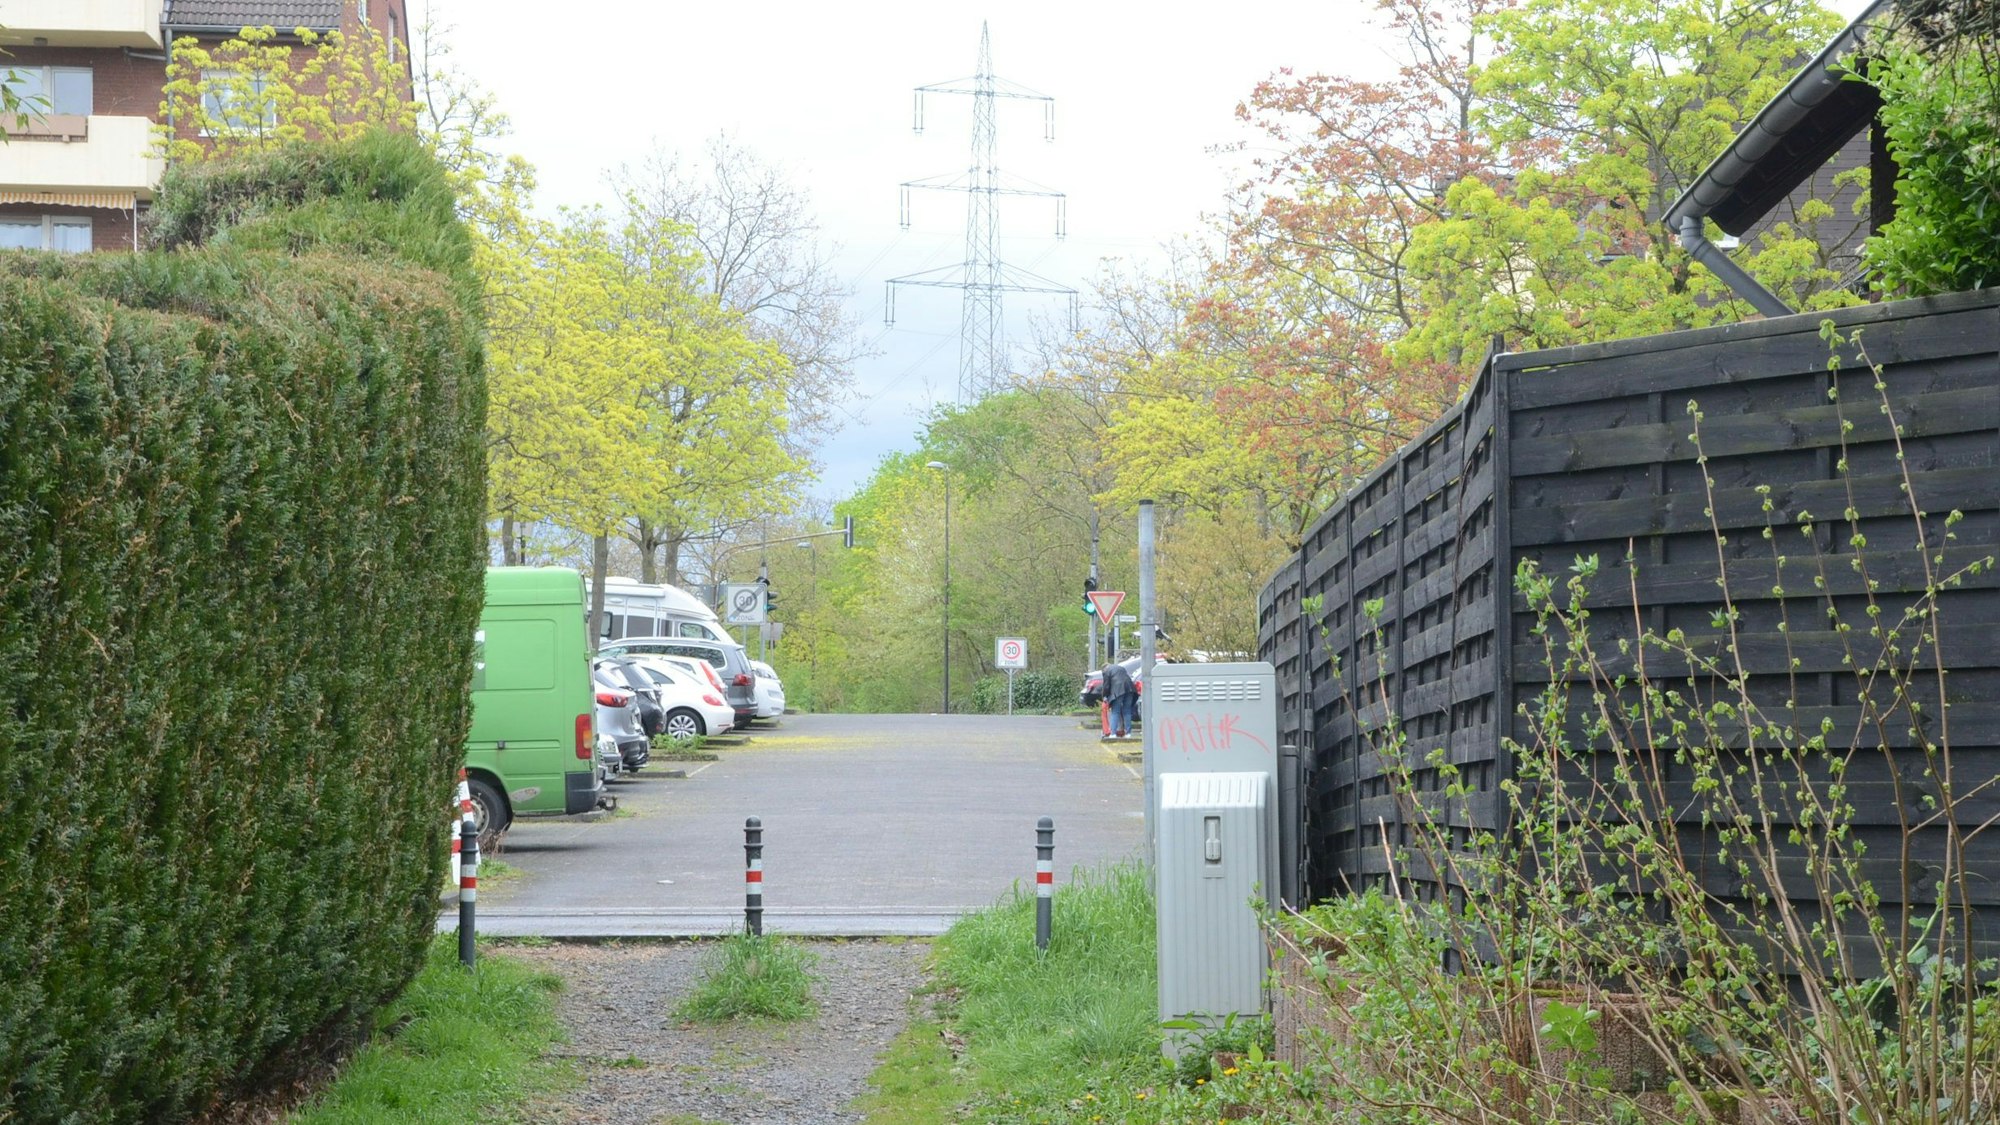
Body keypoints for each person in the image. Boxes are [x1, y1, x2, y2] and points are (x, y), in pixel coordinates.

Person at [1101, 659, 1137, 739]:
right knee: (1127, 711)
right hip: (1130, 689)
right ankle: (1128, 734)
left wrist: (1105, 696)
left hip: (1118, 691)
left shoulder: (1107, 671)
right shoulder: (1121, 668)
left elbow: (1106, 686)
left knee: (1115, 711)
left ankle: (1113, 734)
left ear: (1104, 669)